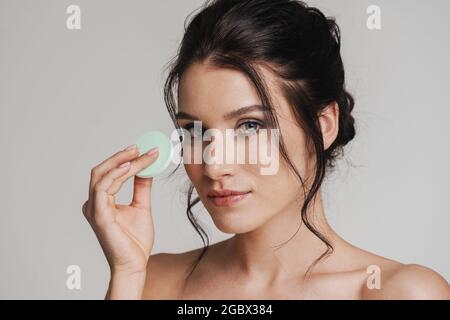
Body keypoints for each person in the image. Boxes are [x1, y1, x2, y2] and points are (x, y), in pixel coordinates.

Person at [82, 0, 450, 299]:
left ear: (323, 126)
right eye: (195, 131)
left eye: (250, 126)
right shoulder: (155, 282)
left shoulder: (397, 293)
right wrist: (127, 274)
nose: (214, 165)